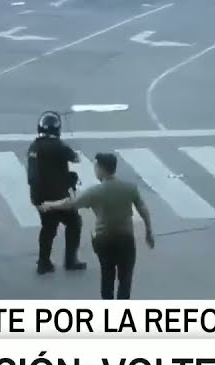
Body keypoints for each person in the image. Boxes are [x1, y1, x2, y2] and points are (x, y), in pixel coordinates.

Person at [37, 152, 153, 299]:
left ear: (101, 168)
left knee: (107, 277)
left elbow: (71, 204)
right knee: (125, 279)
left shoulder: (95, 192)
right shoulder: (130, 188)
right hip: (126, 239)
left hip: (104, 240)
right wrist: (148, 231)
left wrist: (50, 205)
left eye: (96, 167)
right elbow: (143, 209)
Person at [27, 112, 86, 274]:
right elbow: (75, 159)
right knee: (74, 223)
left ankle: (43, 262)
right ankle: (70, 260)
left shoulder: (34, 146)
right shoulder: (59, 146)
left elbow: (33, 177)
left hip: (39, 197)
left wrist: (37, 201)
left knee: (48, 228)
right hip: (59, 197)